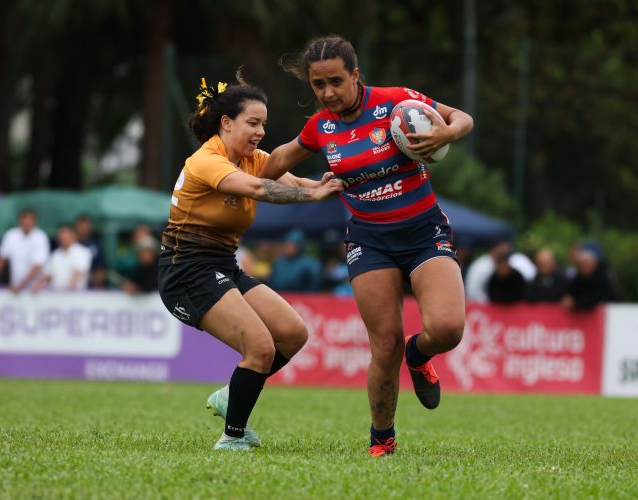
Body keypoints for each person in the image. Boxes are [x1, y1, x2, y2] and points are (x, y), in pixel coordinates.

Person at [260, 35, 474, 457]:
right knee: (384, 344)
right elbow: (272, 165)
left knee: (447, 329)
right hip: (369, 240)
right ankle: (382, 438)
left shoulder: (395, 102)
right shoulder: (319, 127)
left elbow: (462, 117)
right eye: (318, 85)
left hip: (423, 230)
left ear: (355, 75)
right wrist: (241, 170)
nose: (327, 93)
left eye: (336, 82)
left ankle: (420, 353)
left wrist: (447, 132)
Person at [158, 75, 343, 451]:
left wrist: (326, 183)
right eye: (253, 123)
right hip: (185, 269)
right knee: (259, 347)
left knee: (292, 333)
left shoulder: (250, 158)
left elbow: (291, 178)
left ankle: (231, 395)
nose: (261, 131)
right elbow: (259, 188)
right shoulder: (205, 161)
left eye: (263, 124)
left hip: (222, 264)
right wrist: (312, 198)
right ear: (227, 123)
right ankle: (232, 438)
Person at [0, 208, 50, 293]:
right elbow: (1, 260)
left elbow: (37, 266)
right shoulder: (11, 235)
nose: (27, 222)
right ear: (19, 220)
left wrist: (21, 284)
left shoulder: (40, 237)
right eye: (25, 218)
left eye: (31, 219)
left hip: (36, 289)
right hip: (16, 287)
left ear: (35, 221)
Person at [465, 239, 535, 302]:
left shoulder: (509, 267)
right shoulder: (481, 266)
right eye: (503, 251)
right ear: (495, 248)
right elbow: (473, 291)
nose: (505, 252)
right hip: (480, 307)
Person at [30, 224, 92, 292]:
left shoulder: (83, 252)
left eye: (66, 236)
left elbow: (78, 271)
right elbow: (48, 274)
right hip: (57, 295)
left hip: (76, 294)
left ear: (73, 236)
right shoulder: (55, 255)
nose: (63, 238)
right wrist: (38, 285)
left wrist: (71, 285)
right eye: (61, 236)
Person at [74, 214, 106, 288]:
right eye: (81, 226)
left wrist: (90, 278)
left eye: (86, 226)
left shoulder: (96, 245)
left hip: (91, 286)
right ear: (76, 227)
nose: (84, 229)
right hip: (72, 284)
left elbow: (101, 271)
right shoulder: (72, 245)